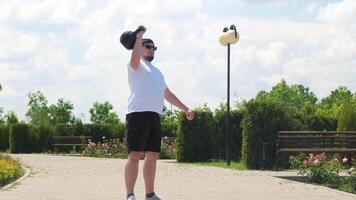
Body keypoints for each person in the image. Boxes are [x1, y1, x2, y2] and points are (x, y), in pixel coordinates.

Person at [124, 26, 194, 200]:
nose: (152, 50)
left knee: (152, 155)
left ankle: (150, 194)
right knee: (134, 155)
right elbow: (134, 57)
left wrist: (185, 108)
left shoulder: (158, 72)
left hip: (154, 116)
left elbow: (167, 94)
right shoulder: (135, 64)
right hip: (137, 114)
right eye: (148, 46)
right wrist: (139, 36)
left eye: (154, 48)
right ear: (140, 48)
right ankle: (130, 195)